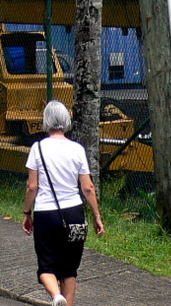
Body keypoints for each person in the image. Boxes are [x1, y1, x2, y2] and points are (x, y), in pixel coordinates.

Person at [22, 100, 105, 306]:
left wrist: (26, 213)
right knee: (69, 270)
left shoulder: (37, 148)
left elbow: (32, 186)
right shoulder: (77, 149)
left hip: (46, 215)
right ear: (66, 120)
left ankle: (56, 296)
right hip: (75, 214)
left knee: (46, 268)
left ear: (46, 121)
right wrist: (96, 216)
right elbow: (88, 187)